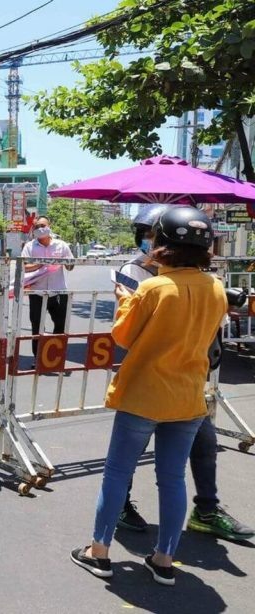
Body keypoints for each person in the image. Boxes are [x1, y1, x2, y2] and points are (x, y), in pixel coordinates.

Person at [71, 207, 227, 586]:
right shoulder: (217, 287)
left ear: (163, 243)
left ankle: (99, 552)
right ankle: (163, 559)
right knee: (172, 478)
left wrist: (126, 299)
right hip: (188, 396)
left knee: (117, 474)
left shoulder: (153, 288)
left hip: (143, 394)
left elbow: (123, 336)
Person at [114, 206, 253, 542]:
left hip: (190, 376)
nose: (153, 243)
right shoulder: (135, 272)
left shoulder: (201, 277)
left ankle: (206, 509)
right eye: (151, 236)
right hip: (149, 377)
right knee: (129, 452)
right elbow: (129, 331)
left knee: (202, 445)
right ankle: (119, 505)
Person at [20, 216, 75, 359]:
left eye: (43, 225)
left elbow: (70, 266)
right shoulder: (30, 246)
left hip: (58, 291)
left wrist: (65, 261)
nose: (40, 229)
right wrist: (41, 264)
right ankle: (38, 357)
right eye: (37, 227)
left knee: (60, 325)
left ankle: (55, 357)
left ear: (49, 226)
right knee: (37, 327)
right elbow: (24, 266)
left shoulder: (61, 245)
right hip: (37, 292)